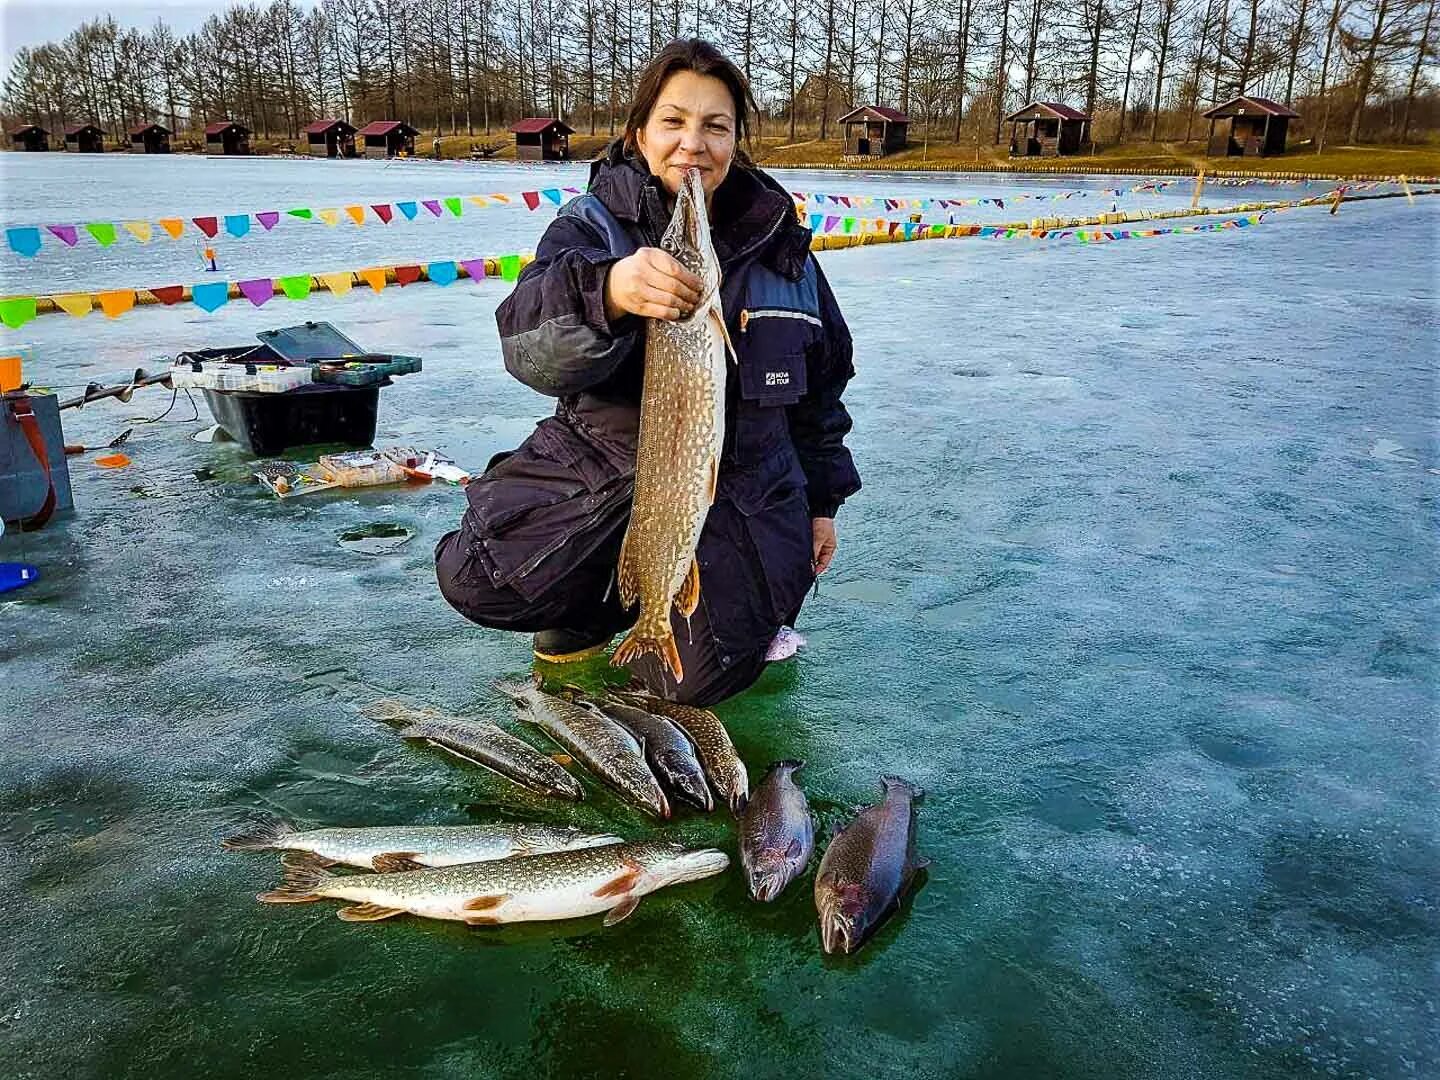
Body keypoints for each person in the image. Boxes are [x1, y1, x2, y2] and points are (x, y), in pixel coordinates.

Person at [434, 38, 860, 707]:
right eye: (674, 121)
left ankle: (712, 619)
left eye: (715, 126)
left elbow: (823, 389)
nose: (693, 143)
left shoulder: (786, 254)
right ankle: (588, 606)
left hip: (748, 487)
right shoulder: (592, 227)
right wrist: (606, 292)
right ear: (639, 133)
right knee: (477, 574)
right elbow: (525, 345)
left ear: (736, 141)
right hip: (600, 467)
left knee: (690, 684)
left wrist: (823, 504)